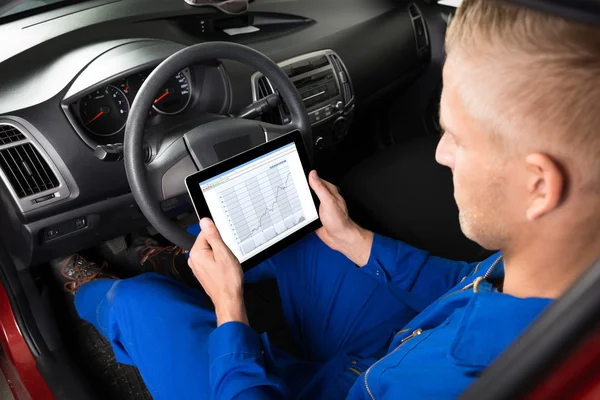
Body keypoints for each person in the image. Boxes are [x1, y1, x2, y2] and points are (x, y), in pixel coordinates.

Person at [59, 0, 600, 398]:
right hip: (389, 347)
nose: (441, 155)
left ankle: (86, 287)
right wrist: (357, 241)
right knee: (297, 238)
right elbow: (464, 285)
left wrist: (230, 313)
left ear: (538, 185)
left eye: (455, 137)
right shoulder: (557, 270)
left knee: (142, 304)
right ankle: (189, 259)